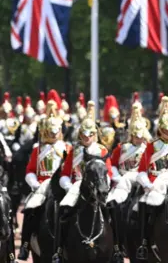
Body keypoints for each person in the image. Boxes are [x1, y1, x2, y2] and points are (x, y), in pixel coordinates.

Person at [54, 101, 113, 260]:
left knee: (114, 210)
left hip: (99, 186)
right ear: (80, 135)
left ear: (95, 134)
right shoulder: (74, 150)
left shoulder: (102, 150)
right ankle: (59, 250)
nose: (87, 138)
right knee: (63, 210)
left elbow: (109, 172)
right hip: (76, 186)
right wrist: (68, 186)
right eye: (84, 135)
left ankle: (117, 248)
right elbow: (65, 174)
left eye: (90, 135)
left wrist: (103, 184)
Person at [17, 101, 69, 260]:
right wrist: (35, 184)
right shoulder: (37, 149)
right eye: (51, 131)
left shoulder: (67, 148)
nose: (54, 134)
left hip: (61, 185)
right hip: (42, 185)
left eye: (56, 131)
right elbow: (30, 171)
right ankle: (25, 245)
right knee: (30, 207)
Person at [135, 96, 168, 260]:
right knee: (145, 205)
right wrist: (147, 184)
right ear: (161, 129)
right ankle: (144, 242)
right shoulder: (151, 146)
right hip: (154, 183)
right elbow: (142, 169)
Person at [107, 103, 149, 261]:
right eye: (136, 135)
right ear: (131, 134)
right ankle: (116, 243)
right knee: (112, 205)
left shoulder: (148, 149)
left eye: (141, 135)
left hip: (142, 183)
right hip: (123, 183)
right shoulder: (121, 148)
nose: (139, 139)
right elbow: (112, 165)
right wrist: (118, 178)